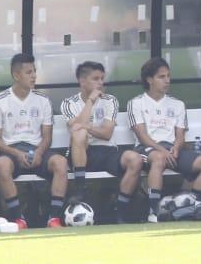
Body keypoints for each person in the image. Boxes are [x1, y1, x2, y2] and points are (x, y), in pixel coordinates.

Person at [0, 52, 70, 228]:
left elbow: (47, 136)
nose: (34, 76)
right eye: (28, 72)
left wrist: (39, 153)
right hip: (11, 151)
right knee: (2, 165)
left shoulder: (43, 100)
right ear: (16, 75)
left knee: (61, 163)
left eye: (34, 71)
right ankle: (19, 218)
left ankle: (54, 218)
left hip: (37, 149)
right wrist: (17, 153)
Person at [128, 57, 201, 216]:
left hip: (171, 150)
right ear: (149, 79)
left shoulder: (178, 104)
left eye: (168, 76)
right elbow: (142, 136)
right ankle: (154, 211)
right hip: (147, 149)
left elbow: (180, 135)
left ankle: (190, 205)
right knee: (159, 158)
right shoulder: (136, 103)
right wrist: (163, 150)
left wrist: (176, 147)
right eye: (161, 77)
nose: (167, 80)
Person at [60, 61, 145, 223]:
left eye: (102, 79)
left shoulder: (110, 100)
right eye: (96, 79)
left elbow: (106, 134)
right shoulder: (69, 103)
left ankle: (121, 211)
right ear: (83, 81)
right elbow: (76, 128)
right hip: (82, 151)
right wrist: (90, 102)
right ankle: (80, 190)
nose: (101, 83)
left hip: (107, 152)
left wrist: (85, 125)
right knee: (80, 134)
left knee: (135, 159)